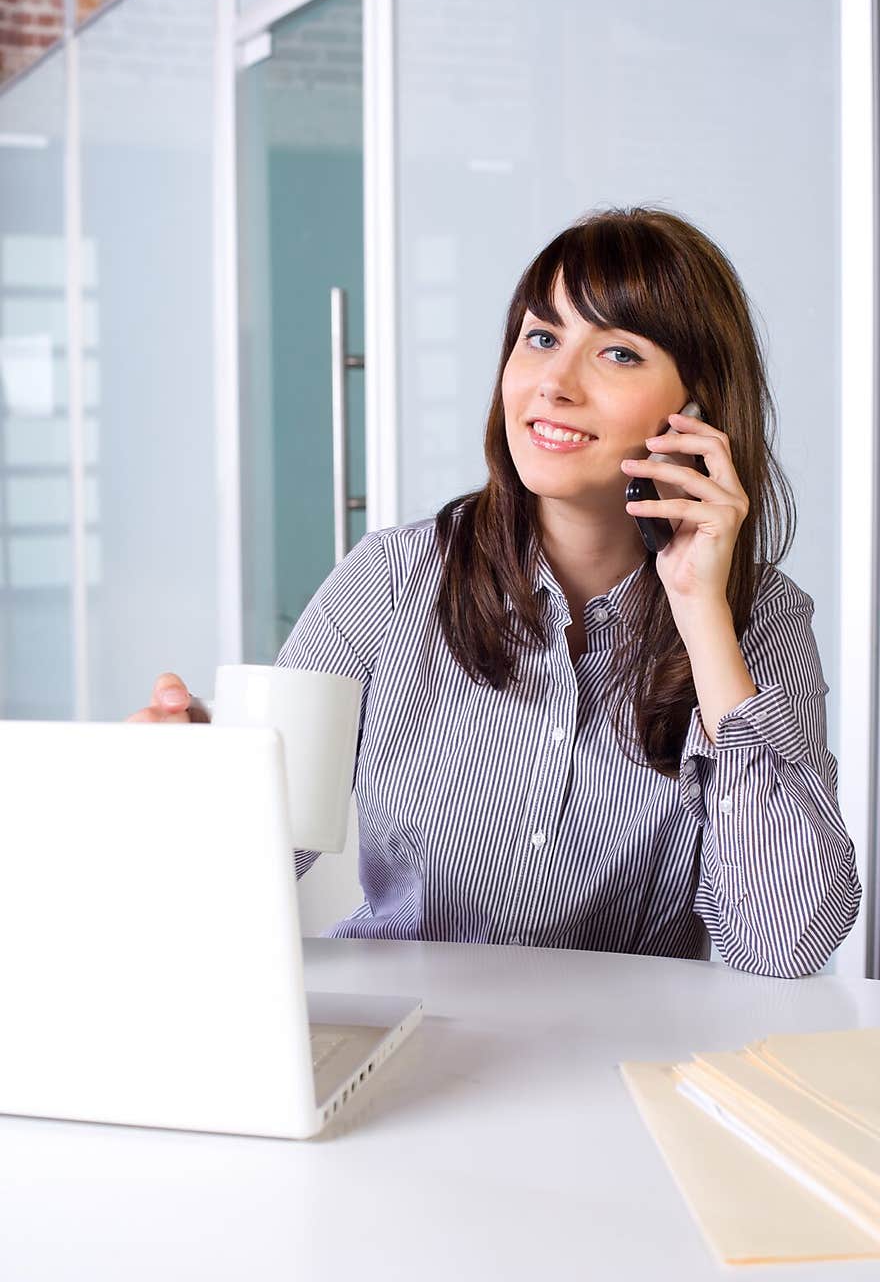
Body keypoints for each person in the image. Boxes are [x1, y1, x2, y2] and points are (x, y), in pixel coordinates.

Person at [129, 206, 862, 977]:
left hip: (619, 1069)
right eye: (541, 338)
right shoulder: (391, 579)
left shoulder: (759, 616)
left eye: (616, 353)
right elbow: (245, 872)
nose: (554, 383)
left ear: (697, 411)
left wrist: (702, 616)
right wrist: (190, 790)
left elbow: (784, 944)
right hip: (403, 1035)